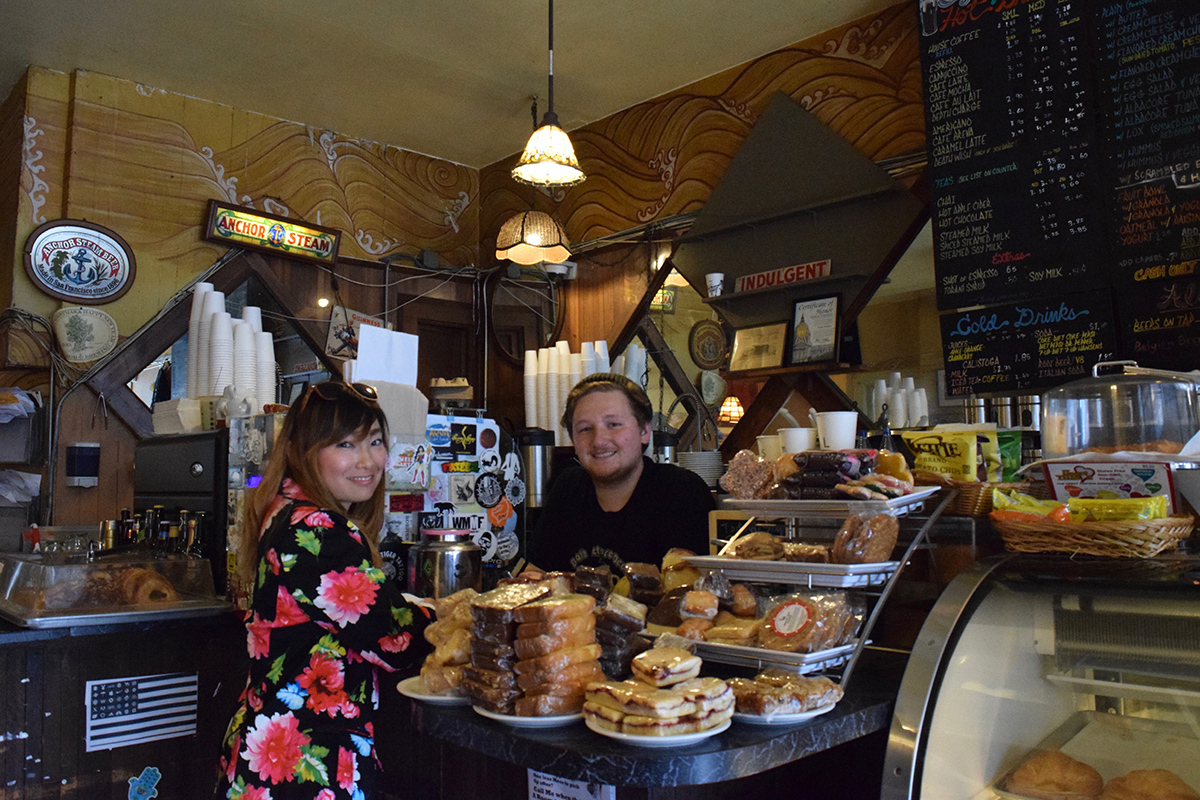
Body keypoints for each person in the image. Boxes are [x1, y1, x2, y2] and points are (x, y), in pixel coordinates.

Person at [215, 381, 431, 800]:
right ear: (304, 451)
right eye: (345, 445)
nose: (367, 460)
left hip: (273, 746)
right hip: (304, 764)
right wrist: (463, 617)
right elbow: (393, 638)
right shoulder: (319, 530)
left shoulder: (284, 506)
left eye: (375, 441)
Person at [528, 373, 715, 574]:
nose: (599, 441)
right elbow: (536, 574)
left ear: (644, 431)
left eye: (614, 424)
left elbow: (691, 585)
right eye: (585, 429)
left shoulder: (681, 491)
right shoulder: (567, 488)